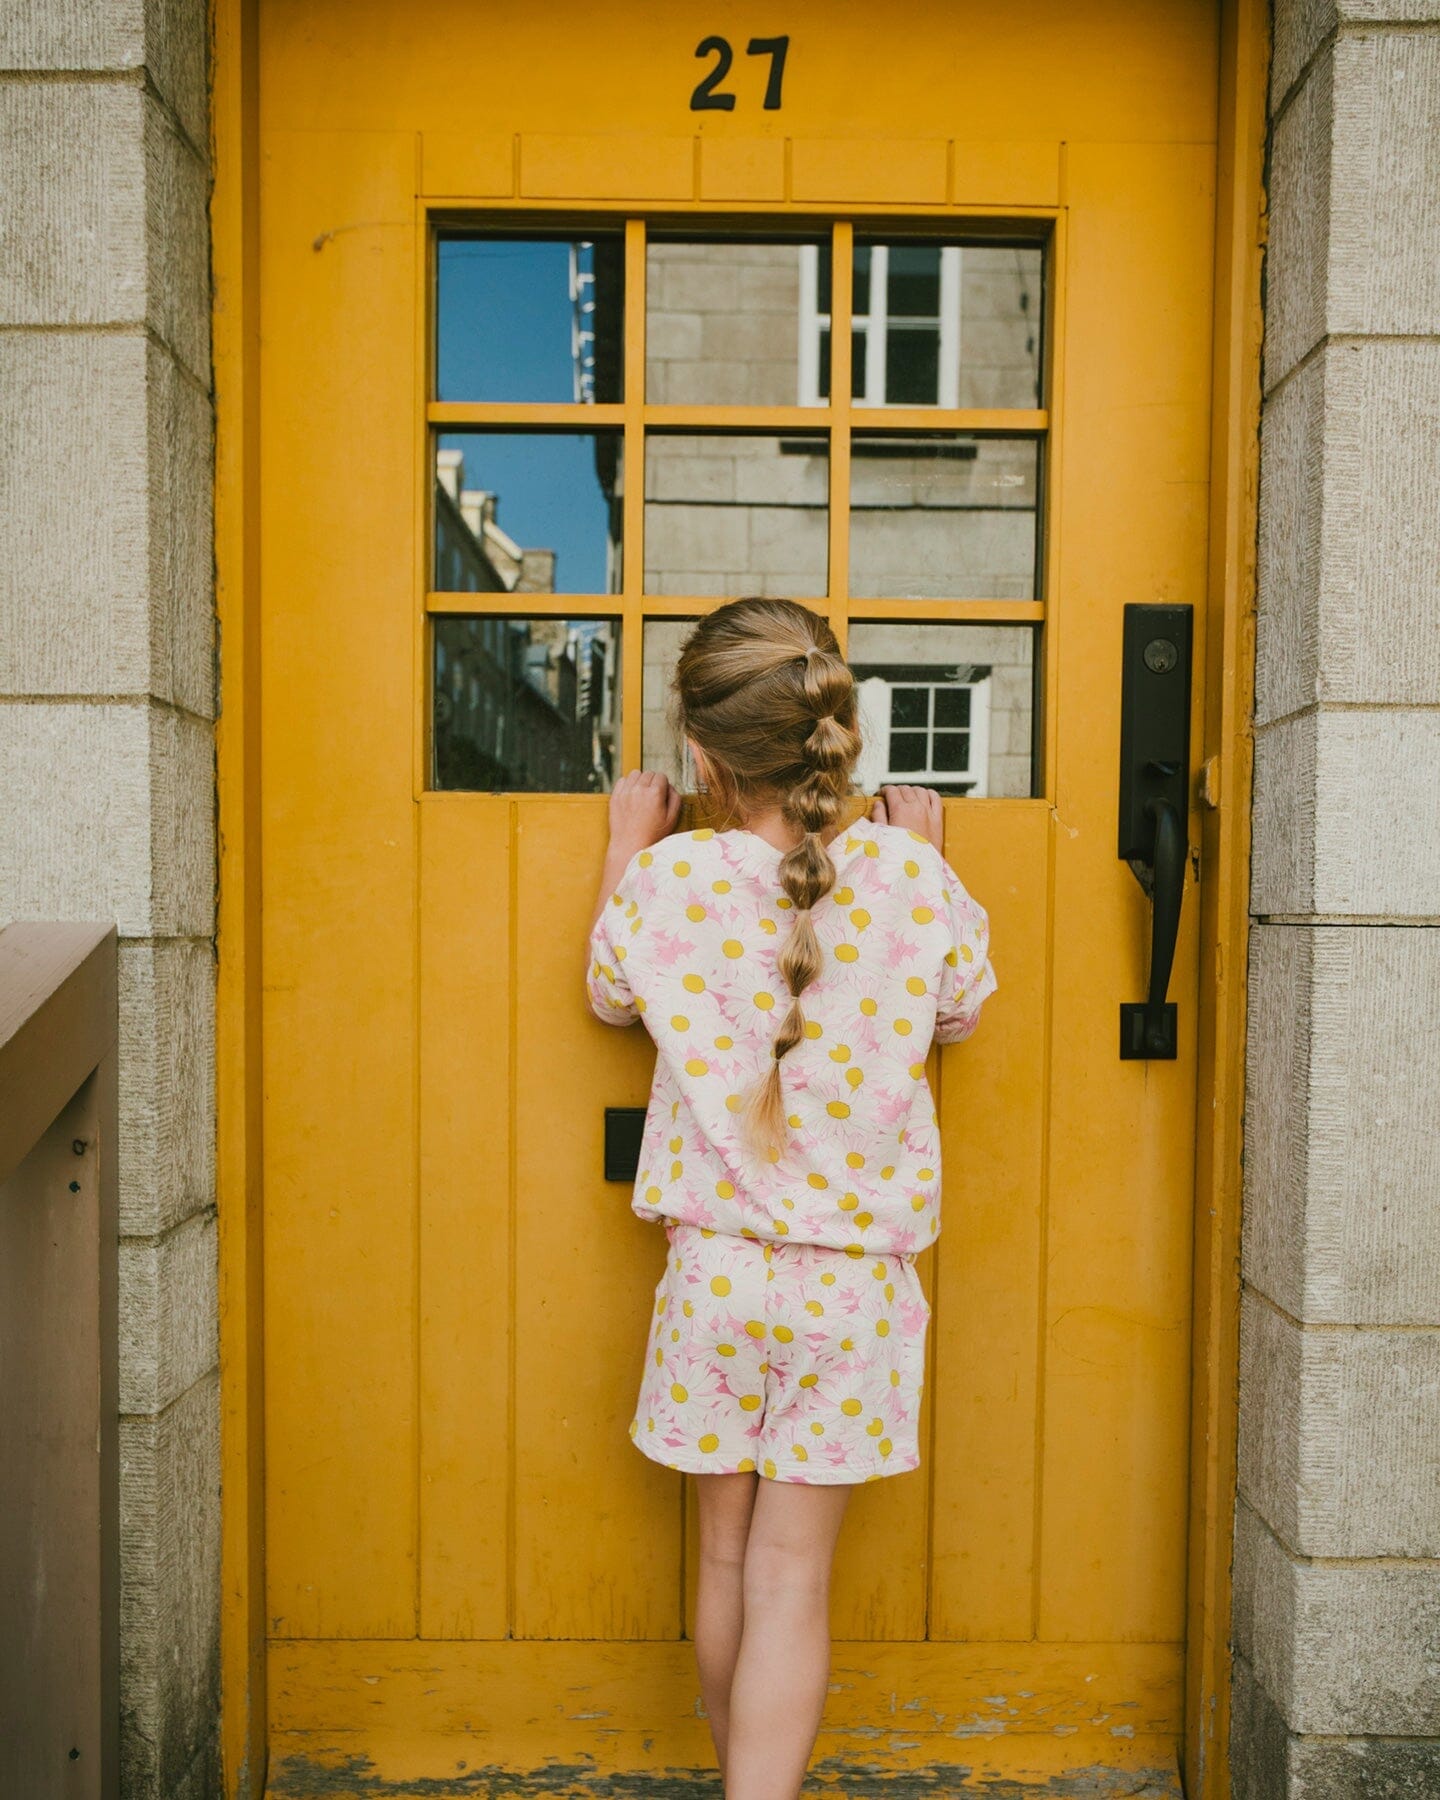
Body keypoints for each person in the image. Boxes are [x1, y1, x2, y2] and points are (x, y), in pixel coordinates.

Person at [584, 597, 997, 1798]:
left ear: (700, 754)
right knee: (790, 1581)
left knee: (724, 1564)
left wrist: (625, 840)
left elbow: (609, 994)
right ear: (836, 735)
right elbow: (961, 1011)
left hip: (713, 1276)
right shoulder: (908, 876)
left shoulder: (665, 879)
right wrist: (933, 856)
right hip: (851, 1293)